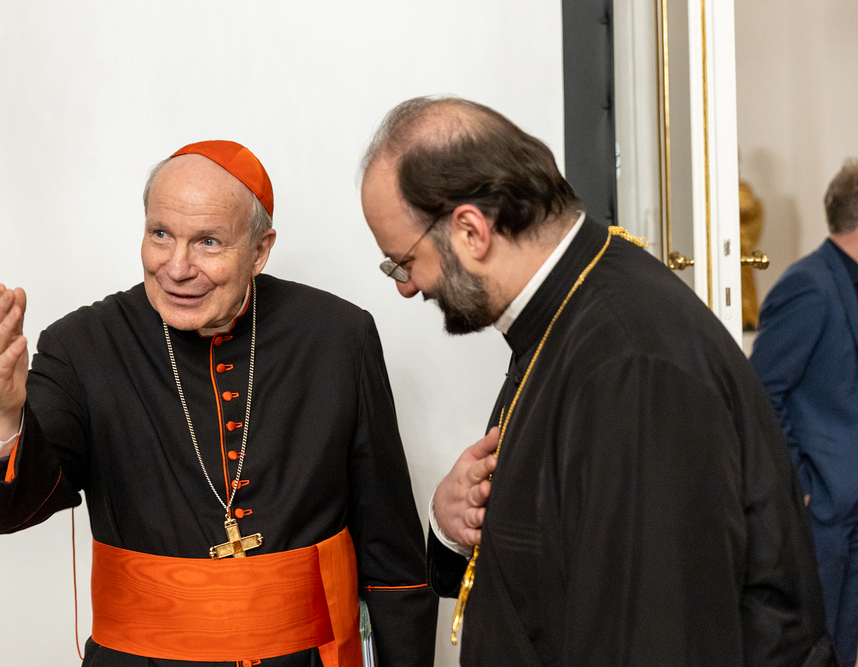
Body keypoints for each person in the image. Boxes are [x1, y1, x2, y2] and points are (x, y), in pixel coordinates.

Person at [359, 96, 835, 666]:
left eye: (402, 261)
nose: (406, 286)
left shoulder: (629, 362)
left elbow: (655, 638)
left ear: (471, 231)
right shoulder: (562, 312)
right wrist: (451, 525)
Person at [0, 140, 437, 667]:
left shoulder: (337, 336)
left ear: (259, 250)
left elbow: (393, 556)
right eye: (161, 234)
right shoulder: (83, 346)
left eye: (208, 242)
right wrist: (2, 411)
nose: (177, 268)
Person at [751, 160, 858, 666]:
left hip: (850, 507)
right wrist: (801, 483)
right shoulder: (808, 285)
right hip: (823, 511)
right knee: (816, 648)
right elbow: (761, 391)